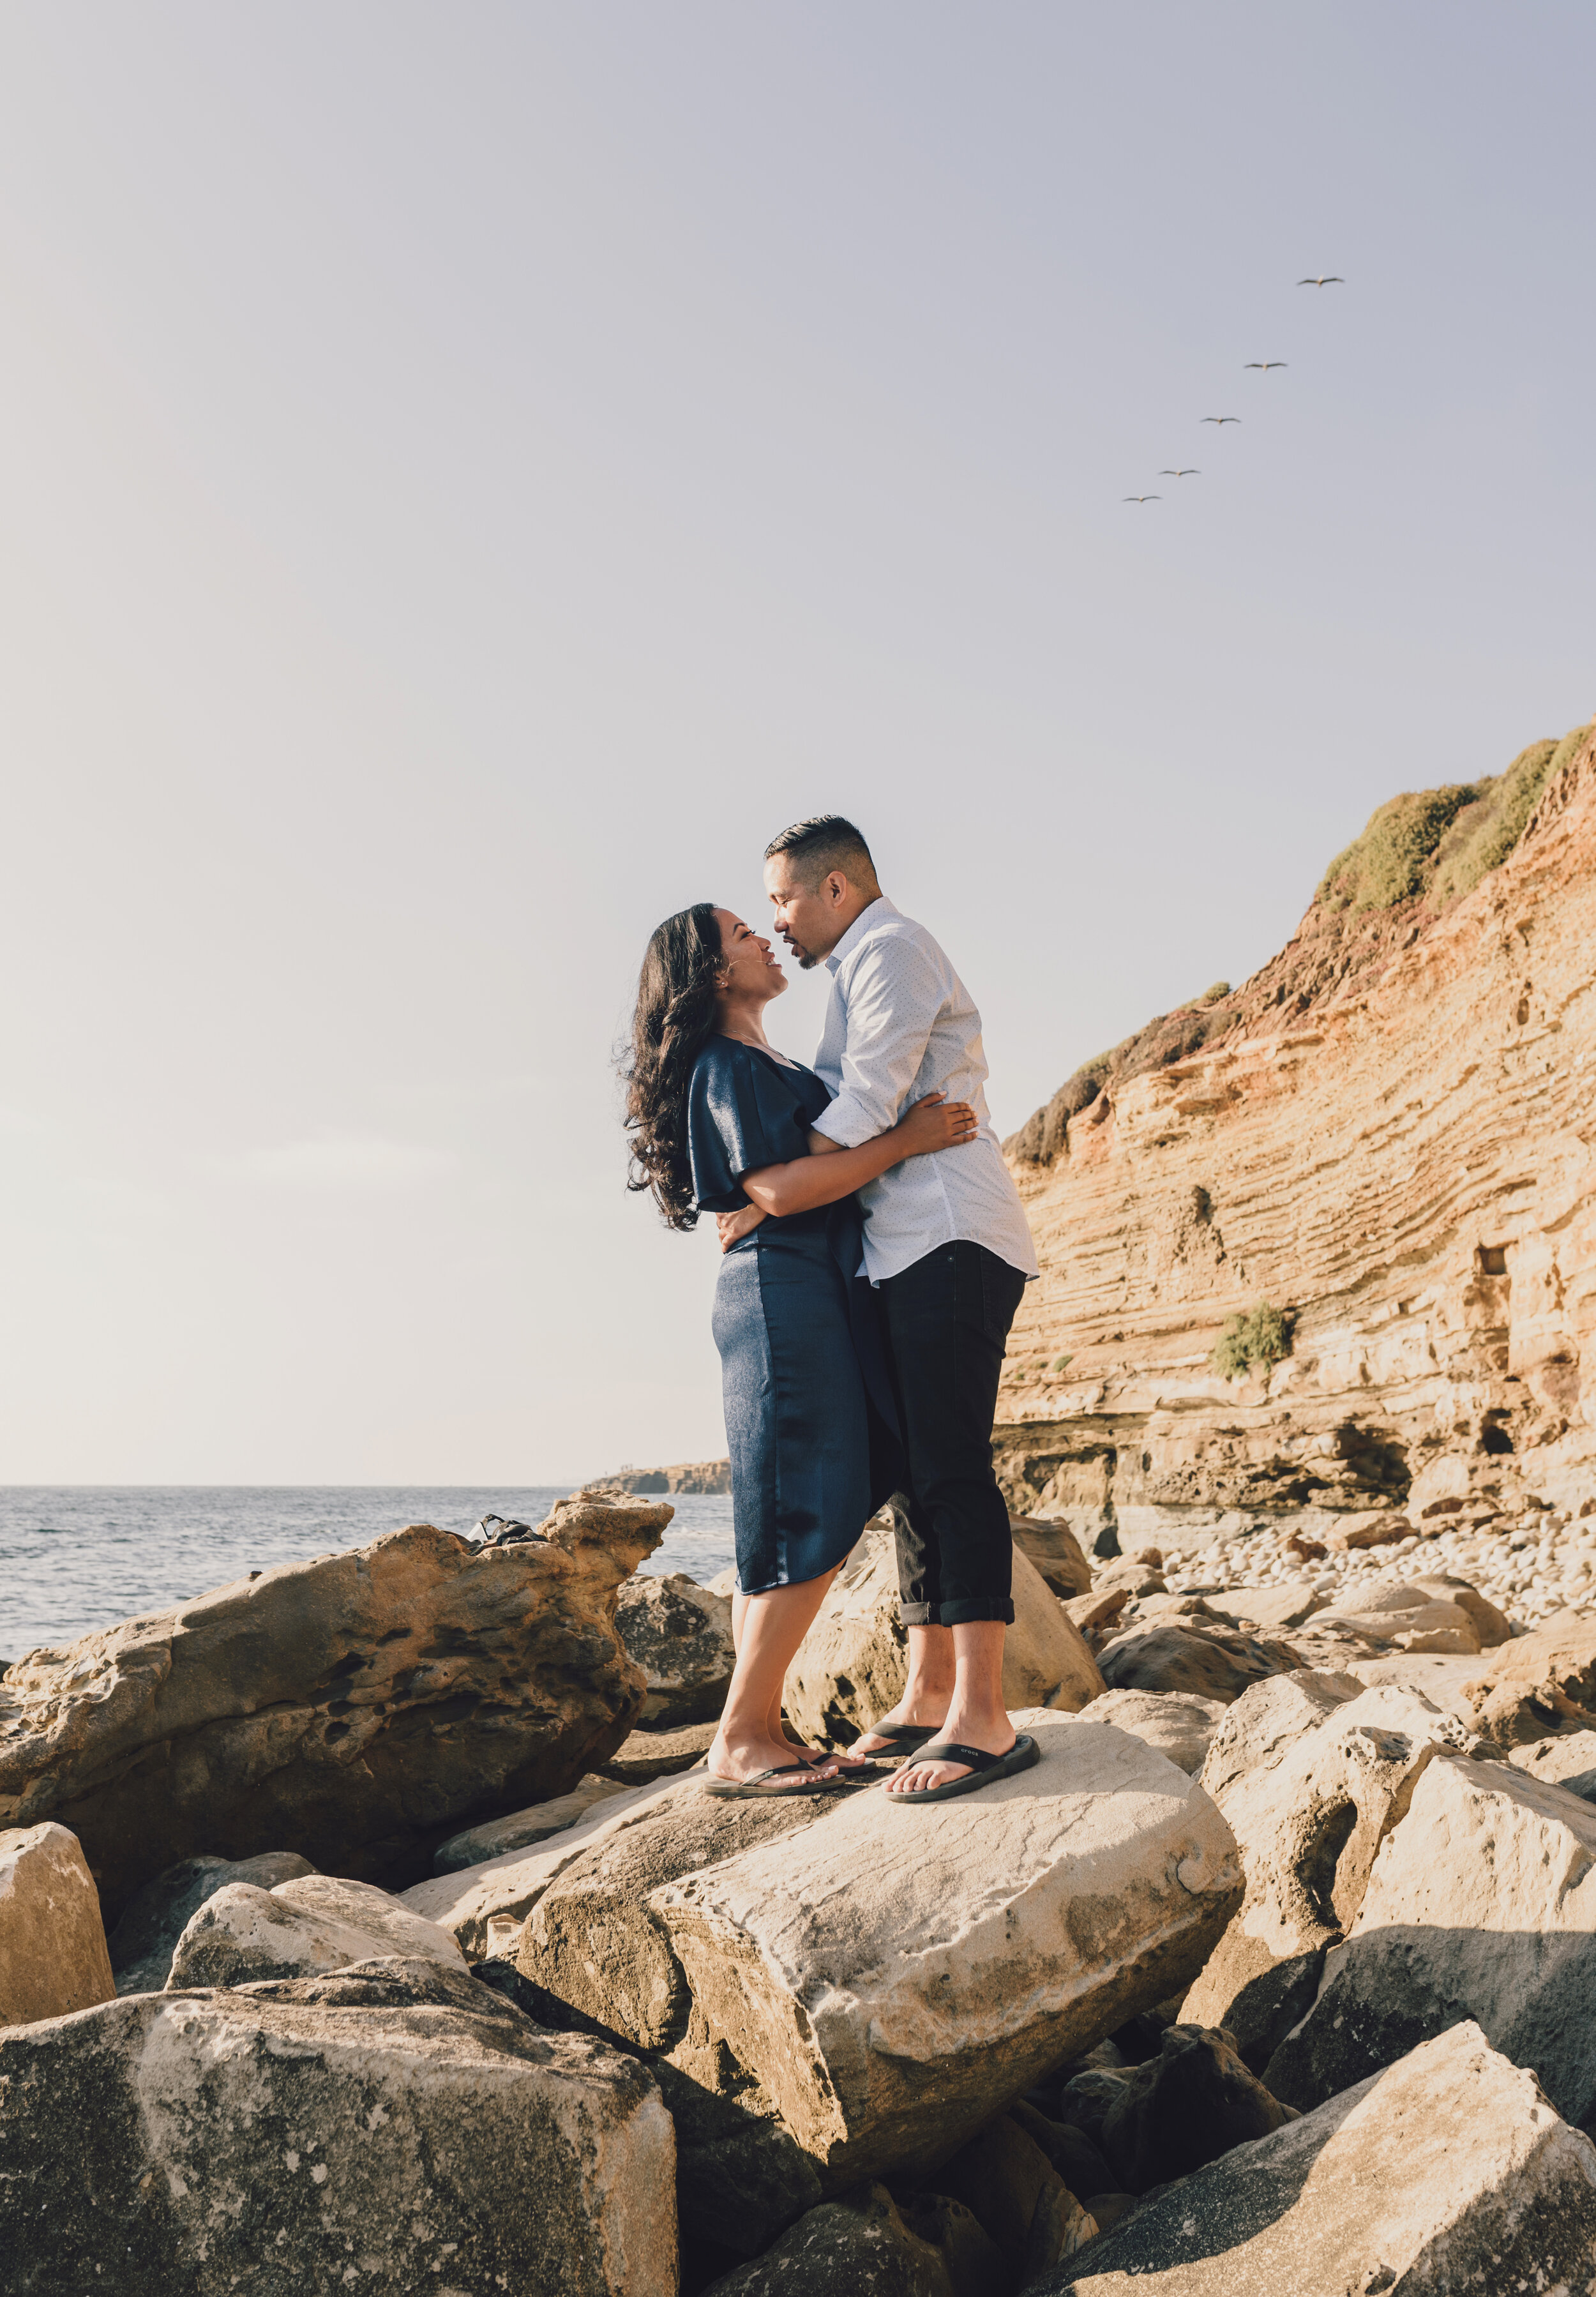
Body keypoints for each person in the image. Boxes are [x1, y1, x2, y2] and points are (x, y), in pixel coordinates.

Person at [621, 899, 978, 1797]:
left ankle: (760, 1726)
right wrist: (910, 1139)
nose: (765, 938)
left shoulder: (774, 1061)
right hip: (780, 1297)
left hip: (819, 1291)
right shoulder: (724, 1063)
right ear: (712, 974)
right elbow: (779, 1186)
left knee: (822, 1493)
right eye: (743, 933)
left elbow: (797, 1178)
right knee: (802, 1503)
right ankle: (740, 1738)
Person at [726, 815, 1041, 1804]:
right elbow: (848, 1099)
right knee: (911, 1470)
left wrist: (764, 1184)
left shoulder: (892, 950)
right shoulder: (862, 963)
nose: (776, 920)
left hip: (949, 1233)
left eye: (781, 898)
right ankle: (927, 1689)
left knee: (950, 1463)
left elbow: (866, 1100)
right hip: (902, 1245)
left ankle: (983, 1718)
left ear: (835, 888)